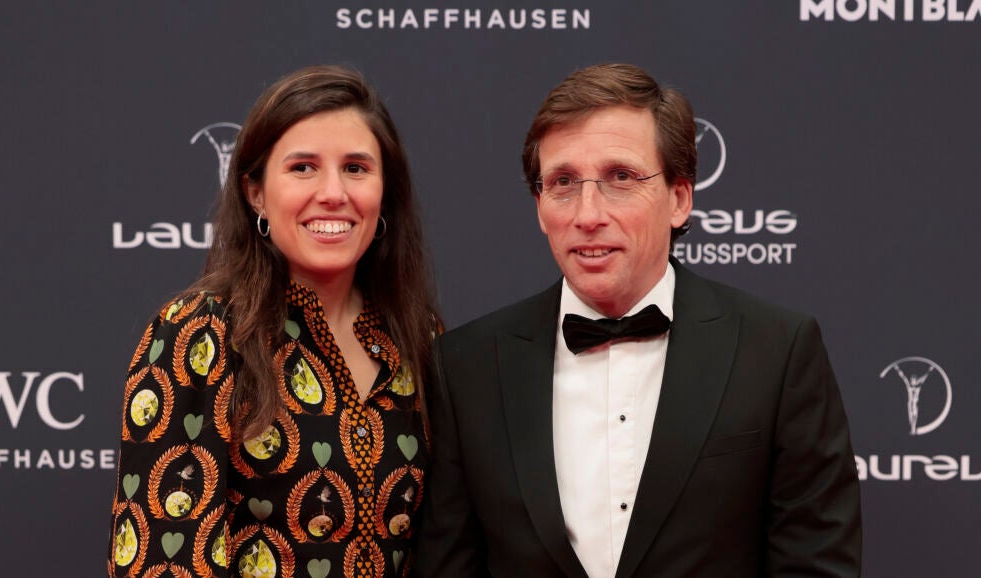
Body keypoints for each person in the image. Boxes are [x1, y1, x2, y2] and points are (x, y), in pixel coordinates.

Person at [415, 63, 861, 577]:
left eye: (621, 178)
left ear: (679, 199)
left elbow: (816, 565)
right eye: (563, 182)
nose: (588, 215)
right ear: (540, 207)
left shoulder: (777, 352)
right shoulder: (466, 366)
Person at [108, 65, 440, 578]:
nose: (333, 193)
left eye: (356, 168)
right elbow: (163, 561)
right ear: (255, 192)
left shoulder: (418, 337)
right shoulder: (202, 333)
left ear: (385, 193)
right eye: (303, 167)